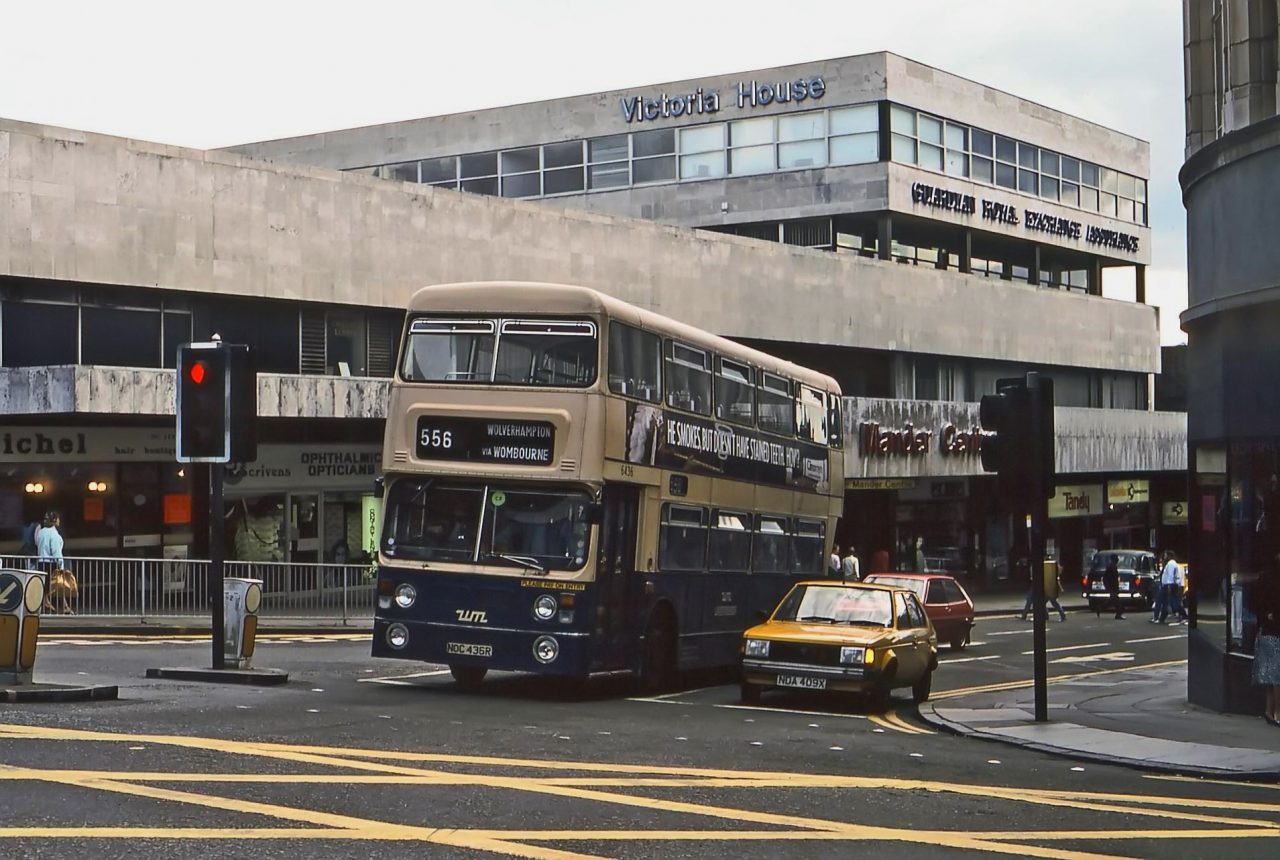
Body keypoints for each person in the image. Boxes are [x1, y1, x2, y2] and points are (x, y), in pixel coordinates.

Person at [1246, 561, 1280, 726]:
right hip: (1274, 632)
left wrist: (1264, 615)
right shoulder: (1272, 580)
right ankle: (1276, 712)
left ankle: (1270, 710)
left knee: (1271, 676)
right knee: (1276, 676)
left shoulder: (1264, 578)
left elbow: (1253, 602)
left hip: (1266, 631)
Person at [35, 511, 67, 613]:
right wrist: (61, 565)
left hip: (41, 562)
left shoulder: (41, 532)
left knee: (45, 586)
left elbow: (37, 544)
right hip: (51, 563)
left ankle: (47, 603)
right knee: (58, 585)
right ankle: (64, 606)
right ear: (55, 520)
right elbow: (56, 551)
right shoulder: (53, 534)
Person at [1018, 557, 1067, 623]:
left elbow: (1056, 578)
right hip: (1043, 587)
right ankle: (1046, 616)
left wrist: (1060, 588)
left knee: (1053, 603)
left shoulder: (1047, 567)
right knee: (1043, 603)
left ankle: (1062, 616)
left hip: (1047, 588)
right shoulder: (1043, 567)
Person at [1153, 552, 1181, 624]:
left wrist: (1168, 585)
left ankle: (1156, 617)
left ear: (1169, 556)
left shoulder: (1171, 564)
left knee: (1160, 601)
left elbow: (1170, 575)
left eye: (1165, 555)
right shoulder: (1170, 563)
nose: (1164, 557)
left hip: (1167, 585)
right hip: (1167, 585)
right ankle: (1161, 618)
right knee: (1165, 602)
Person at [1098, 554, 1124, 620]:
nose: (1118, 560)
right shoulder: (1111, 567)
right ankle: (1118, 615)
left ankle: (1100, 608)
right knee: (1117, 602)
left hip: (1113, 587)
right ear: (1114, 559)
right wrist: (1108, 586)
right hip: (1112, 587)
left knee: (1112, 601)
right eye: (1117, 558)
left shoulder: (1113, 566)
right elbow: (1107, 578)